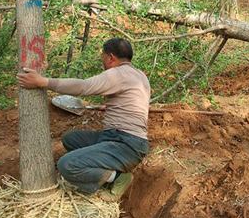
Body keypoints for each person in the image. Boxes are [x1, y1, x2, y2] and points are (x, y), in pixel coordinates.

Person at [17, 37, 150, 199]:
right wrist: (112, 106)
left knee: (67, 165)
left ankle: (117, 177)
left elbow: (83, 86)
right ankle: (106, 170)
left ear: (110, 57)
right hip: (124, 139)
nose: (103, 61)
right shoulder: (139, 75)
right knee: (71, 139)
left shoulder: (118, 74)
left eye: (103, 57)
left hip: (126, 144)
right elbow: (133, 103)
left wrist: (43, 82)